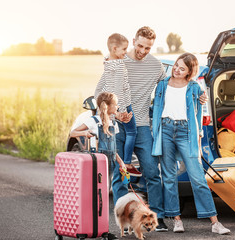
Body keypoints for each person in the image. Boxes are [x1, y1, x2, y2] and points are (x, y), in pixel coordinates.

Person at [94, 26, 169, 231]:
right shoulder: (118, 61)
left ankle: (158, 217)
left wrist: (198, 95)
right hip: (118, 126)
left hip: (142, 125)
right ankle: (125, 221)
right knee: (119, 174)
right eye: (140, 45)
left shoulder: (156, 66)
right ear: (134, 40)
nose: (143, 51)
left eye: (148, 47)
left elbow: (171, 88)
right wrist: (115, 113)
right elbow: (98, 93)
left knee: (152, 172)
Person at [151, 53, 231, 235]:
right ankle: (176, 220)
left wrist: (199, 134)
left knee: (198, 177)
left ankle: (215, 222)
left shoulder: (194, 87)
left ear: (189, 72)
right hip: (165, 129)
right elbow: (156, 108)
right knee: (169, 178)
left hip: (186, 132)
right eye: (176, 66)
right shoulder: (162, 84)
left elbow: (200, 112)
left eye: (182, 68)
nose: (176, 70)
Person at [70, 92, 125, 240]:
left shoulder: (114, 124)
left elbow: (114, 149)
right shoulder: (93, 121)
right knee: (95, 195)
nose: (118, 106)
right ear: (107, 106)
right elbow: (73, 132)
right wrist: (86, 132)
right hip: (98, 163)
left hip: (110, 162)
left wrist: (121, 163)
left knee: (104, 197)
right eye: (116, 104)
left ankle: (102, 229)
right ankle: (88, 226)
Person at [94, 33, 141, 177]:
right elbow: (119, 89)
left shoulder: (107, 63)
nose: (126, 52)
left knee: (119, 135)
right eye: (124, 49)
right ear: (114, 49)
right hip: (124, 104)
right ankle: (126, 162)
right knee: (132, 132)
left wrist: (102, 103)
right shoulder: (119, 66)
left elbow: (99, 88)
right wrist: (120, 111)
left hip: (113, 106)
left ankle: (120, 163)